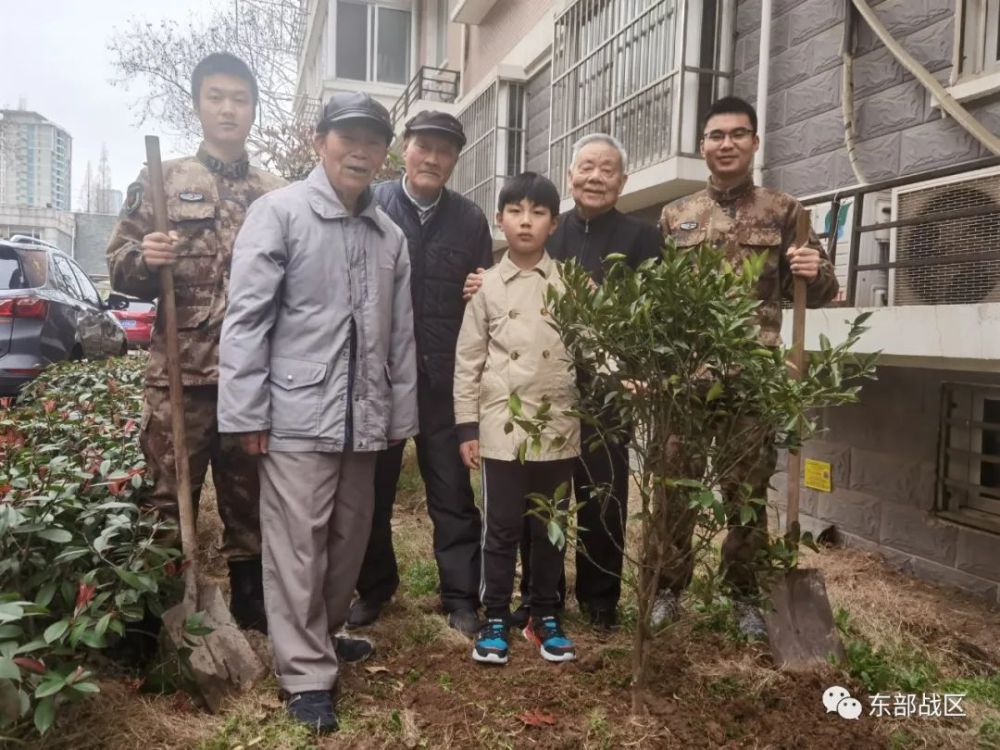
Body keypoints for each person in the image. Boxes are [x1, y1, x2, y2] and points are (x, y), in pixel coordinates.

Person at [216, 92, 418, 733]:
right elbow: (246, 321)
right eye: (346, 136)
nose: (360, 150)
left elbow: (401, 337)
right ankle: (304, 675)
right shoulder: (277, 214)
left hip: (364, 418)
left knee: (346, 541)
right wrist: (247, 413)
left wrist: (399, 419)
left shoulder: (389, 235)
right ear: (319, 141)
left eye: (373, 140)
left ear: (384, 153)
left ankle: (322, 636)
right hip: (297, 413)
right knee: (298, 549)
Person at [106, 52, 285, 634]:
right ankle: (155, 619)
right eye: (216, 97)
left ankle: (251, 613)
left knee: (250, 503)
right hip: (179, 378)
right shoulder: (162, 180)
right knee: (165, 497)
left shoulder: (276, 193)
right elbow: (117, 266)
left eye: (239, 98)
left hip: (250, 381)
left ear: (254, 108)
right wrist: (143, 258)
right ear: (198, 103)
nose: (228, 108)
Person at [656, 95, 839, 636]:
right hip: (687, 381)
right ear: (703, 146)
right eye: (716, 135)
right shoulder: (676, 216)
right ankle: (666, 590)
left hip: (752, 380)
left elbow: (825, 291)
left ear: (755, 142)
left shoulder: (786, 211)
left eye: (738, 134)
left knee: (746, 495)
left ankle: (744, 599)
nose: (727, 143)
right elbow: (661, 300)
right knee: (673, 490)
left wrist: (813, 267)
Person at [466, 134, 662, 630]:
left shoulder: (643, 238)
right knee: (538, 502)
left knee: (602, 497)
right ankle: (539, 598)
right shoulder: (551, 231)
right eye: (587, 168)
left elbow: (653, 314)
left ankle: (599, 602)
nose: (596, 177)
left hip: (605, 396)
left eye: (608, 169)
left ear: (623, 179)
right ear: (571, 177)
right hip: (538, 393)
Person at [348, 111, 492, 636]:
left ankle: (460, 598)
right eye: (423, 146)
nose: (432, 158)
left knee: (452, 493)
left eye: (445, 150)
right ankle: (374, 588)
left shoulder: (470, 220)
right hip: (380, 378)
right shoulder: (371, 204)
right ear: (403, 150)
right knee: (371, 494)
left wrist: (484, 288)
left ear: (455, 160)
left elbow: (483, 300)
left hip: (444, 380)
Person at [454, 171, 580, 665]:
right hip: (502, 428)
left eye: (539, 212)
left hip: (557, 424)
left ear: (553, 223)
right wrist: (467, 426)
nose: (526, 222)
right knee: (501, 527)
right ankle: (495, 616)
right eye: (516, 211)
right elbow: (468, 360)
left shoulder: (570, 284)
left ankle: (544, 613)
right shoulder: (486, 286)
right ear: (500, 220)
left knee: (551, 526)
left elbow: (592, 346)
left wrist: (626, 374)